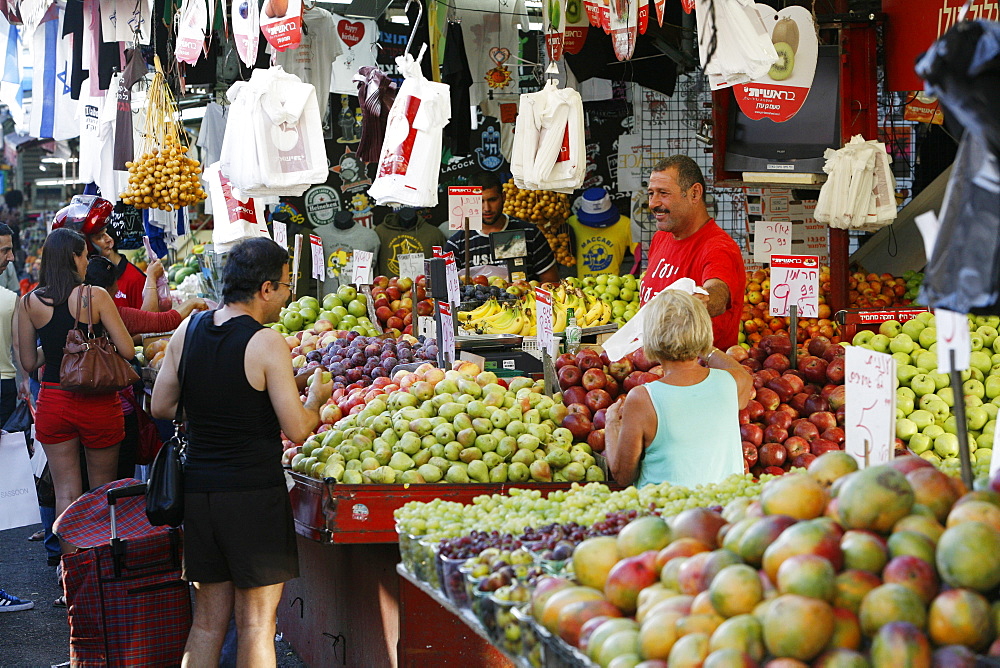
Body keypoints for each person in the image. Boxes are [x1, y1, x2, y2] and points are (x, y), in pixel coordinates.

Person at [151, 237, 332, 667]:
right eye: (287, 285)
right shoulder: (266, 342)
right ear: (265, 288)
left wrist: (209, 402)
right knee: (255, 626)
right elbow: (298, 428)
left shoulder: (187, 330)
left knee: (207, 623)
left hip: (200, 494)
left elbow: (160, 405)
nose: (288, 295)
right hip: (253, 495)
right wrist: (317, 397)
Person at [16, 229, 135, 557]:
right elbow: (125, 348)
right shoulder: (95, 296)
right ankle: (100, 573)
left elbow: (28, 361)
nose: (87, 260)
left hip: (54, 401)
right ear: (73, 257)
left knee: (66, 492)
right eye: (84, 254)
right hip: (98, 403)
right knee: (101, 490)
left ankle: (71, 578)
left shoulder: (29, 303)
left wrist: (58, 350)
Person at [604, 290, 752, 488]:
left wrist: (612, 425)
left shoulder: (643, 398)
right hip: (724, 512)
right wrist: (702, 345)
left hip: (666, 513)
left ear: (649, 337)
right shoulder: (732, 383)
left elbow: (623, 475)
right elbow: (738, 370)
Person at [86, 255, 209, 479]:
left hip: (76, 408)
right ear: (110, 287)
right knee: (115, 481)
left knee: (88, 485)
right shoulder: (113, 313)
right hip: (115, 411)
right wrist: (191, 303)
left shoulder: (71, 312)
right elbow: (156, 322)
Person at [641, 156, 745, 349]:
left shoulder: (718, 247)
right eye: (651, 193)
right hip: (657, 370)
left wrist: (702, 300)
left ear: (694, 194)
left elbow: (718, 293)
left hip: (699, 374)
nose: (653, 203)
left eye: (663, 193)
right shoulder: (661, 238)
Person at [444, 173, 560, 284]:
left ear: (503, 197)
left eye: (492, 200)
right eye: (480, 201)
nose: (486, 208)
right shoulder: (457, 244)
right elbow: (448, 289)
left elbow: (551, 282)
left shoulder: (530, 234)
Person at [50, 195, 158, 311]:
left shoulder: (134, 279)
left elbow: (148, 321)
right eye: (99, 236)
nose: (109, 240)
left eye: (106, 233)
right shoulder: (70, 285)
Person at [566, 187, 636, 277]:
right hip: (578, 286)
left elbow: (641, 253)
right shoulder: (571, 224)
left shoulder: (625, 224)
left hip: (613, 286)